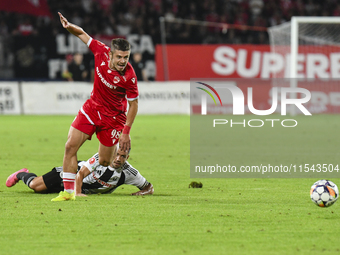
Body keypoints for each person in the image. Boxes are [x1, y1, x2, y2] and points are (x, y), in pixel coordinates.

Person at [55, 12, 139, 201]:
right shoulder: (100, 51)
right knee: (70, 146)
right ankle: (68, 193)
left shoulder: (129, 76)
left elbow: (134, 105)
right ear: (110, 53)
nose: (123, 61)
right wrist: (69, 27)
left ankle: (86, 170)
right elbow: (83, 34)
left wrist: (125, 132)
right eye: (119, 57)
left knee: (104, 161)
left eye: (126, 57)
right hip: (92, 109)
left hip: (113, 118)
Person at [6, 147, 153, 196]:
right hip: (71, 173)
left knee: (45, 192)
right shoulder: (101, 157)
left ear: (127, 157)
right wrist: (76, 193)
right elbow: (81, 174)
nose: (118, 158)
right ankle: (21, 174)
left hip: (81, 187)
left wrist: (140, 193)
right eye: (117, 154)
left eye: (123, 156)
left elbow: (149, 188)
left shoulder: (129, 173)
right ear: (112, 151)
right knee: (35, 186)